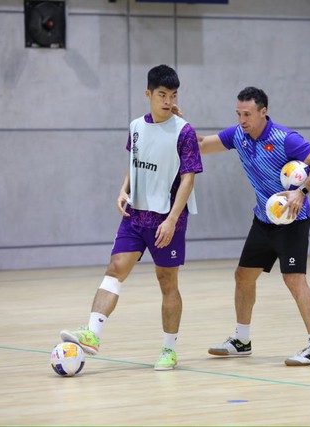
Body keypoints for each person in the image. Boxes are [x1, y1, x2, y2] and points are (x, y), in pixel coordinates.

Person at [60, 64, 202, 371]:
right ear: (148, 94)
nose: (167, 100)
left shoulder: (184, 132)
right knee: (115, 268)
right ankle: (92, 334)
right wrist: (123, 189)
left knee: (167, 282)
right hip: (136, 215)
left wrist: (172, 220)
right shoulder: (136, 125)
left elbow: (189, 179)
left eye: (173, 95)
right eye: (162, 94)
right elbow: (134, 162)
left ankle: (169, 349)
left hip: (167, 219)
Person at [187, 86, 310, 366]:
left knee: (294, 280)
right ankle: (242, 340)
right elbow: (203, 145)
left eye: (248, 114)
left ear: (263, 112)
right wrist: (180, 127)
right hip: (264, 219)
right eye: (239, 114)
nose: (242, 120)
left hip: (292, 220)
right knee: (243, 276)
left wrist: (301, 192)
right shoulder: (238, 135)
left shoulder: (285, 139)